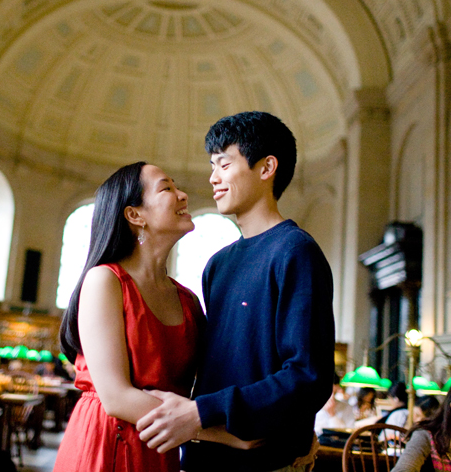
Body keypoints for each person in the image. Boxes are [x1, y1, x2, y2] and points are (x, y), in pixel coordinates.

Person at [136, 112, 336, 472]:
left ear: (266, 167)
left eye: (224, 164)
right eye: (212, 166)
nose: (213, 178)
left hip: (265, 461)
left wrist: (203, 411)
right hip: (203, 454)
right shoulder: (217, 264)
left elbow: (309, 376)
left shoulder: (295, 252)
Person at [55, 162, 250, 472]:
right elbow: (116, 398)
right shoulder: (105, 280)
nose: (184, 195)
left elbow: (217, 380)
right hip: (105, 444)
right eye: (167, 188)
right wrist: (228, 435)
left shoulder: (188, 301)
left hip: (161, 448)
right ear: (135, 215)